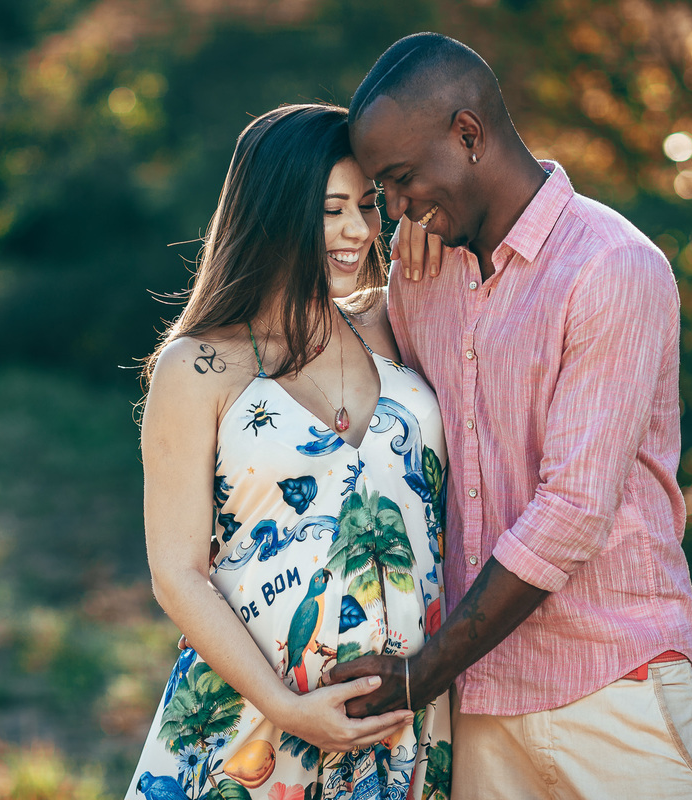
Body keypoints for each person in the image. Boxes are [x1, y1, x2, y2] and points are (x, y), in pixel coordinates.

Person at [326, 33, 692, 799]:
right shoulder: (420, 266)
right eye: (385, 192)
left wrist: (422, 671)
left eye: (404, 180)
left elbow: (571, 511)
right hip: (479, 705)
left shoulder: (612, 266)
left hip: (615, 687)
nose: (397, 209)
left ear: (469, 135)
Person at [126, 103, 452, 800]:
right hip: (256, 723)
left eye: (367, 206)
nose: (359, 231)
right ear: (273, 212)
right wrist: (287, 709)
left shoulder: (390, 320)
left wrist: (433, 246)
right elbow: (176, 575)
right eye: (331, 210)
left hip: (402, 721)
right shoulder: (199, 365)